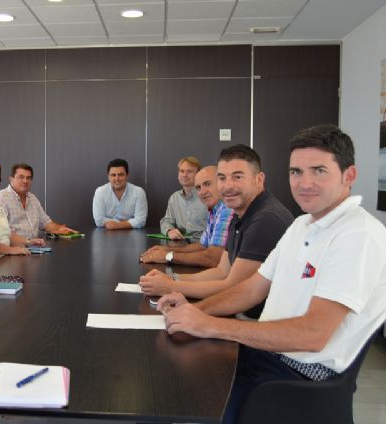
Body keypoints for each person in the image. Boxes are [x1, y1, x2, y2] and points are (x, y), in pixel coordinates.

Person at [157, 124, 386, 424]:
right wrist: (195, 312)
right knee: (171, 372)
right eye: (296, 172)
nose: (304, 183)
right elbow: (252, 288)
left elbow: (314, 335)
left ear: (349, 176)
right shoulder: (302, 225)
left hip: (297, 378)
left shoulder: (358, 234)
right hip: (267, 355)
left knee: (177, 397)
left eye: (318, 171)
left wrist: (209, 325)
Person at [139, 144, 293, 319]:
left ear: (259, 179)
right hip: (243, 313)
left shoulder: (266, 219)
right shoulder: (240, 213)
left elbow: (233, 288)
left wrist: (171, 287)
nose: (227, 186)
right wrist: (172, 279)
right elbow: (221, 271)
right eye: (222, 178)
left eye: (237, 177)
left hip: (260, 321)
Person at [140, 166, 234, 268]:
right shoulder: (214, 209)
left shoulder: (227, 208)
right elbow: (203, 245)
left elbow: (213, 259)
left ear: (222, 183)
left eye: (207, 184)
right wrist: (166, 249)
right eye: (198, 188)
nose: (202, 192)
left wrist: (167, 256)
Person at [0, 163, 77, 239]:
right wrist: (25, 242)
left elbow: (46, 223)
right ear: (11, 179)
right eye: (21, 177)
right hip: (13, 248)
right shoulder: (1, 198)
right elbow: (1, 233)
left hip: (35, 247)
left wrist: (60, 229)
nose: (25, 181)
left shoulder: (33, 198)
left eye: (28, 178)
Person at [159, 157, 208, 242]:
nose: (184, 175)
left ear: (198, 174)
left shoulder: (206, 196)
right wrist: (169, 230)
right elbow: (166, 221)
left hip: (203, 244)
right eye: (182, 171)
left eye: (189, 171)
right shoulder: (175, 198)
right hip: (180, 243)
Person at [92, 158, 147, 230]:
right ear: (108, 177)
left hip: (132, 233)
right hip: (106, 234)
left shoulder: (139, 192)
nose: (117, 178)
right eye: (113, 175)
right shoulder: (100, 192)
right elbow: (99, 221)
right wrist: (129, 222)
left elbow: (141, 221)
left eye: (121, 175)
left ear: (127, 175)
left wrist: (117, 225)